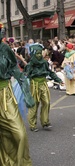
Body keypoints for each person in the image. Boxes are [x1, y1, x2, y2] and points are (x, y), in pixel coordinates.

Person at [0, 27, 34, 165]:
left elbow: (16, 70)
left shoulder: (4, 48)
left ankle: (20, 162)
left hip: (5, 96)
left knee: (19, 134)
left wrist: (27, 94)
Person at [24, 44, 63, 132]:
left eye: (40, 53)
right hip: (34, 85)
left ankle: (45, 122)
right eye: (37, 53)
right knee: (34, 105)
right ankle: (32, 124)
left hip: (43, 84)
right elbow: (25, 76)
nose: (39, 55)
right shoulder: (30, 65)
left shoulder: (44, 63)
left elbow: (50, 72)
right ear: (33, 54)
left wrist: (58, 80)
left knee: (47, 102)